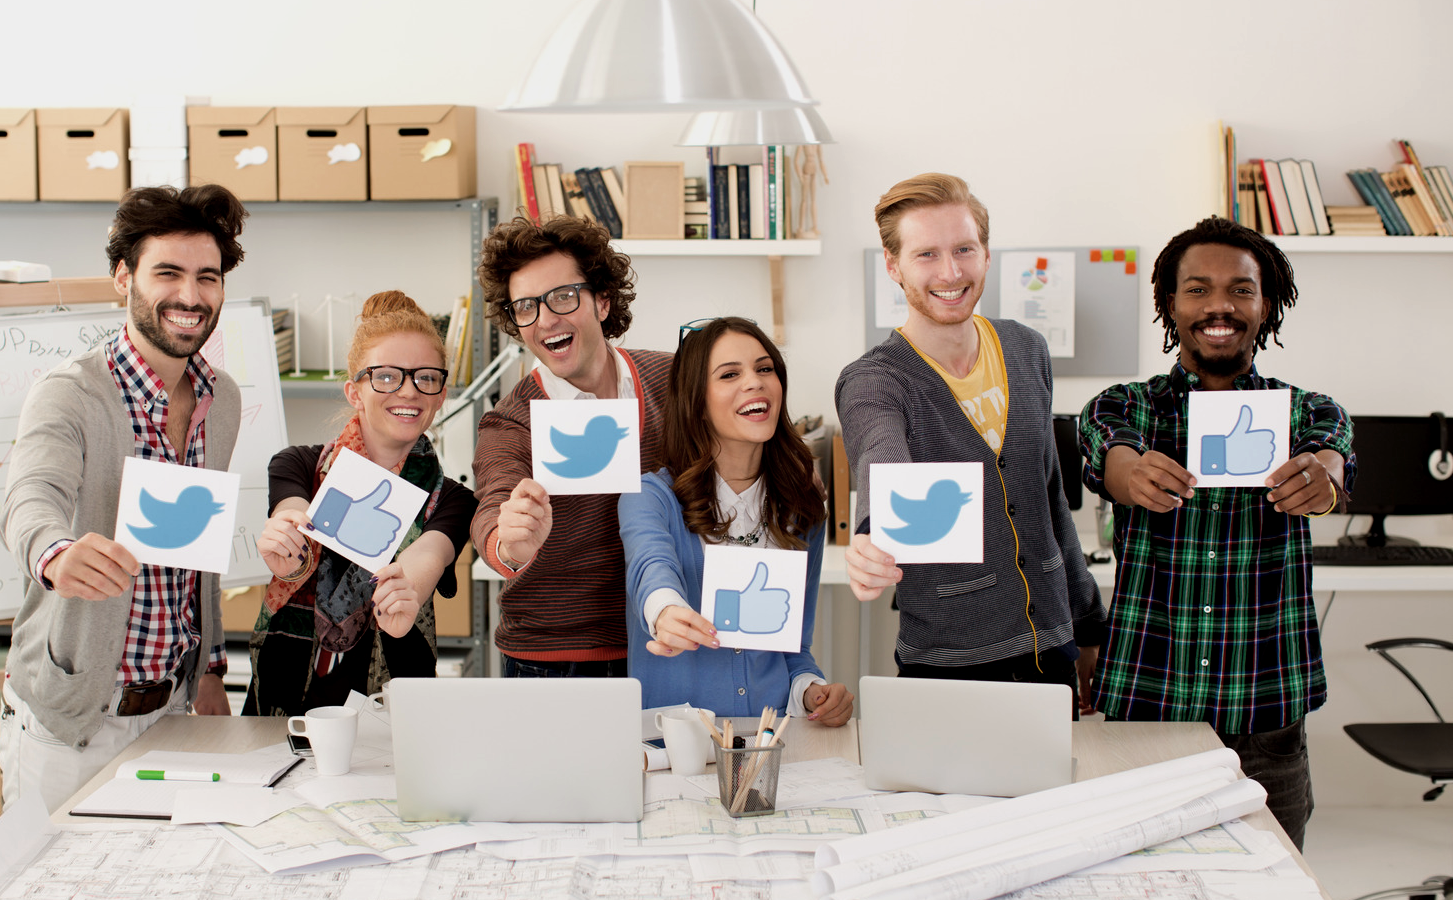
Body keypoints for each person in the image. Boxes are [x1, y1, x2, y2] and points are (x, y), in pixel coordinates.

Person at [1077, 217, 1354, 849]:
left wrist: (1323, 479)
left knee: (1270, 885)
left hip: (1266, 722)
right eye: (1198, 289)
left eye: (1241, 290)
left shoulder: (1310, 411)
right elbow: (1107, 451)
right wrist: (1130, 474)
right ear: (1170, 304)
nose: (1220, 306)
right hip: (1147, 710)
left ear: (1267, 304)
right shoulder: (1125, 406)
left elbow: (1333, 458)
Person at [0, 184, 247, 810]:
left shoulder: (224, 399)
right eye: (168, 273)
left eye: (207, 278)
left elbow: (197, 553)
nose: (190, 297)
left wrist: (211, 671)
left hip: (173, 712)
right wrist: (55, 553)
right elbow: (31, 495)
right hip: (73, 722)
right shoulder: (71, 393)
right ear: (122, 277)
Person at [836, 173, 1106, 708]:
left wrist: (1089, 622)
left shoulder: (1026, 350)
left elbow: (1052, 501)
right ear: (893, 265)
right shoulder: (876, 381)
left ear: (986, 254)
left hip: (1052, 648)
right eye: (927, 255)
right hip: (947, 663)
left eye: (964, 249)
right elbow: (879, 452)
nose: (951, 272)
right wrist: (871, 532)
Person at [244, 291, 476, 715]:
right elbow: (293, 517)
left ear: (441, 395)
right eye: (386, 376)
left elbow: (427, 557)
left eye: (426, 377)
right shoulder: (298, 465)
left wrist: (406, 591)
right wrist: (289, 552)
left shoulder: (454, 500)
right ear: (354, 391)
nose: (409, 391)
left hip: (394, 708)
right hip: (285, 698)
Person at [620, 317, 853, 724]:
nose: (755, 382)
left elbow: (793, 646)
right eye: (730, 374)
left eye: (765, 369)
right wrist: (665, 612)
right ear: (697, 400)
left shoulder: (803, 507)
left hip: (771, 746)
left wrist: (811, 691)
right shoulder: (650, 497)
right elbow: (650, 567)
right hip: (674, 749)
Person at [472, 215, 673, 677]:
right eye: (526, 307)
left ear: (602, 300)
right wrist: (511, 541)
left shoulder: (674, 378)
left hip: (667, 642)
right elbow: (495, 505)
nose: (546, 320)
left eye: (563, 297)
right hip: (556, 660)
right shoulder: (510, 421)